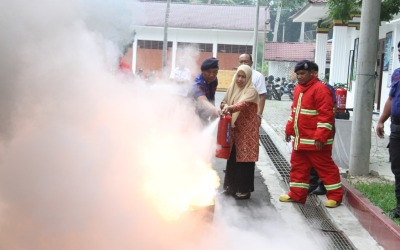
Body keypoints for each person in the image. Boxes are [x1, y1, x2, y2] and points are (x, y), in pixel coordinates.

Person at [279, 60, 343, 208]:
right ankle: (296, 194)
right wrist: (289, 130)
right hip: (301, 140)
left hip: (315, 141)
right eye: (298, 74)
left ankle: (335, 197)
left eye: (303, 74)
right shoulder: (298, 89)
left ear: (312, 74)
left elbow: (326, 116)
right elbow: (294, 112)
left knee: (326, 169)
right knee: (298, 168)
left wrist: (321, 136)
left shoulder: (321, 89)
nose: (300, 77)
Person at [220, 64, 260, 200]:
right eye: (238, 75)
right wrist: (224, 105)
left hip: (247, 131)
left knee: (245, 161)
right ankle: (230, 187)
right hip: (234, 129)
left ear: (248, 78)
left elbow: (243, 105)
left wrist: (229, 108)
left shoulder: (251, 90)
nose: (240, 79)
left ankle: (244, 190)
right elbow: (224, 101)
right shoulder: (232, 88)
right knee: (232, 159)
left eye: (244, 76)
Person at [376, 41, 400, 218]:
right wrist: (381, 121)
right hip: (397, 126)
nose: (399, 54)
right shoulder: (397, 74)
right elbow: (391, 99)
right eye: (399, 51)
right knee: (397, 167)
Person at [308, 61, 336, 196]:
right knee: (309, 157)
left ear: (314, 73)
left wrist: (322, 131)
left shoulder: (325, 88)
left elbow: (330, 110)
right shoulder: (304, 87)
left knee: (322, 157)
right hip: (308, 130)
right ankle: (312, 183)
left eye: (305, 73)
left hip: (322, 128)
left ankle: (323, 185)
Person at [238, 54, 267, 123]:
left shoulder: (258, 76)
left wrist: (259, 115)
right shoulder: (236, 75)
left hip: (252, 114)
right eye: (241, 62)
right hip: (237, 112)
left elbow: (262, 96)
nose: (243, 64)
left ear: (251, 63)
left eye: (246, 62)